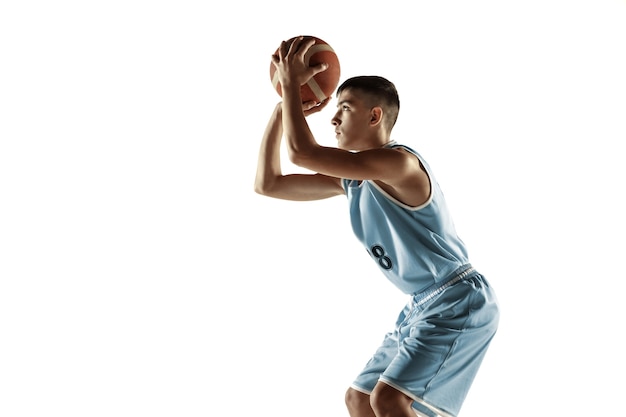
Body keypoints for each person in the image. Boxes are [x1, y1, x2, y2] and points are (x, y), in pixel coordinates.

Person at [254, 36, 499, 417]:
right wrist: (279, 112)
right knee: (360, 398)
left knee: (388, 399)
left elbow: (302, 153)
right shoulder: (354, 181)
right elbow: (268, 183)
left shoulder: (398, 164)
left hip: (457, 298)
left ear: (374, 117)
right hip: (422, 304)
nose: (333, 118)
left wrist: (290, 85)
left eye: (345, 108)